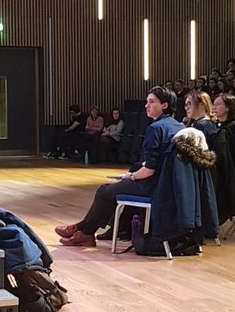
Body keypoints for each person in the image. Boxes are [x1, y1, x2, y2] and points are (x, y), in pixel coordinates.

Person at [54, 87, 182, 247]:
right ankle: (85, 231)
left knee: (104, 191)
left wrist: (132, 176)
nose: (146, 106)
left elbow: (150, 169)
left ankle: (83, 231)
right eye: (147, 102)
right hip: (169, 185)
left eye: (151, 102)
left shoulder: (155, 128)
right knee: (112, 191)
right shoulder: (178, 126)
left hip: (152, 185)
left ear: (164, 105)